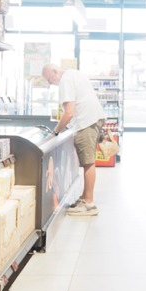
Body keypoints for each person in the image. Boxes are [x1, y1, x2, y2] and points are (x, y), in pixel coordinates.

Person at [42, 64, 106, 216]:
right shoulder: (74, 73)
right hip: (92, 119)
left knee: (88, 162)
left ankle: (89, 204)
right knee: (88, 161)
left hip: (86, 121)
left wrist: (55, 132)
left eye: (49, 79)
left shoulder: (65, 80)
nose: (50, 83)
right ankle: (84, 198)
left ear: (55, 71)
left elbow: (69, 112)